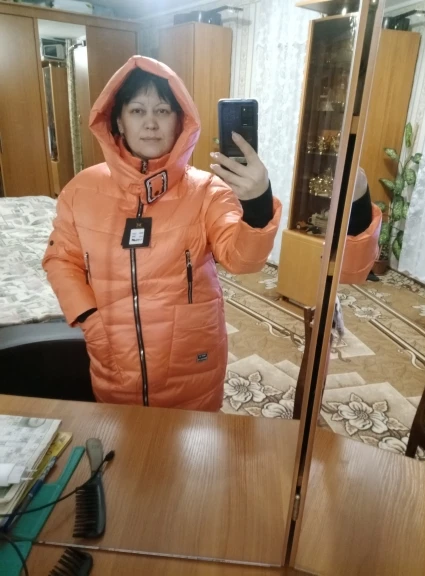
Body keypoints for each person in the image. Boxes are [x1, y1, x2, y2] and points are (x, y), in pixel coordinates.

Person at [43, 56, 281, 410]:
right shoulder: (81, 190)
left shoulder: (207, 190)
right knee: (124, 439)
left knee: (194, 442)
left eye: (163, 111)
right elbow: (60, 260)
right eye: (137, 111)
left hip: (192, 361)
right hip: (113, 357)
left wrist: (258, 204)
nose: (151, 123)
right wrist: (90, 318)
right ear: (118, 121)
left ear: (180, 121)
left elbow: (243, 261)